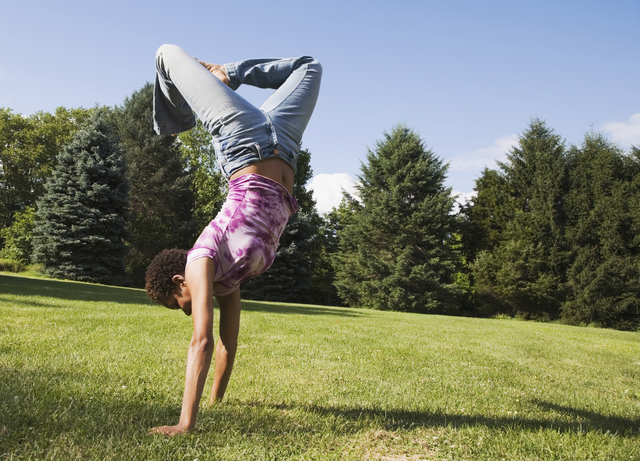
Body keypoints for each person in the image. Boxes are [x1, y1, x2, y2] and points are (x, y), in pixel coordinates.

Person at [144, 44, 321, 436]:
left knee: (165, 54)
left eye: (180, 305)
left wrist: (184, 424)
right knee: (311, 66)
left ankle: (182, 114)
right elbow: (227, 345)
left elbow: (202, 342)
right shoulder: (229, 280)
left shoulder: (200, 260)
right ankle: (224, 76)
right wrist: (216, 402)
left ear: (180, 282)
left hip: (242, 141)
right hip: (284, 145)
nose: (189, 312)